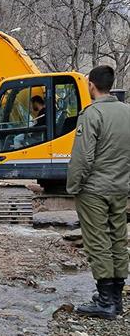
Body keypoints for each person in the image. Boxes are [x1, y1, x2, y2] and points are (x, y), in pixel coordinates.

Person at [67, 65, 130, 319]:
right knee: (118, 239)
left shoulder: (92, 114)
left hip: (94, 190)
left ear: (91, 85)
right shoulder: (127, 113)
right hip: (120, 187)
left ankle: (105, 302)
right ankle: (116, 297)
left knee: (98, 242)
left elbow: (83, 157)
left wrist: (73, 186)